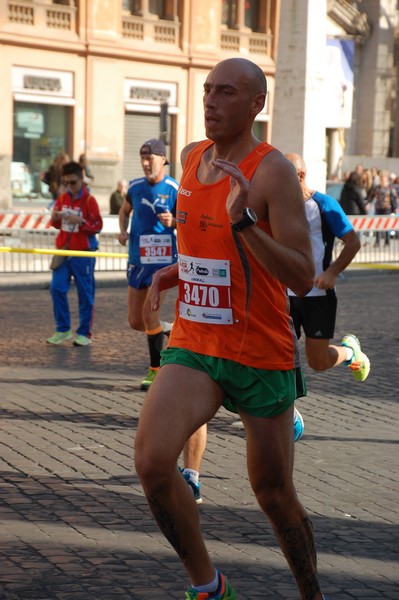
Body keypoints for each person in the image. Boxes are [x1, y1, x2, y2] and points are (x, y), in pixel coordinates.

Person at [134, 58, 328, 600]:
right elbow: (202, 244)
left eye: (226, 93)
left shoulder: (272, 172)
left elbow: (301, 271)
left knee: (272, 492)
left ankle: (311, 592)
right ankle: (208, 586)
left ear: (256, 104)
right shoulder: (194, 158)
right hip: (197, 340)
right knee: (152, 462)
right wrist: (174, 272)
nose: (211, 102)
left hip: (258, 348)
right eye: (207, 91)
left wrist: (246, 223)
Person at [285, 152, 370, 380]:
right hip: (283, 294)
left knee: (318, 362)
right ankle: (282, 413)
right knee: (278, 356)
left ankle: (350, 351)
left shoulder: (324, 204)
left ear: (300, 175)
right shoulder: (276, 205)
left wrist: (332, 272)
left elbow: (353, 241)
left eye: (284, 175)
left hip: (318, 293)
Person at [118, 139, 178, 390]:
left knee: (148, 314)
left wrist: (173, 221)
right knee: (136, 321)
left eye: (150, 157)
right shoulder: (134, 187)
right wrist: (123, 231)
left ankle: (155, 370)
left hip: (162, 263)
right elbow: (124, 211)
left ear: (163, 159)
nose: (145, 163)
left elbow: (188, 221)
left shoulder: (175, 188)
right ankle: (170, 329)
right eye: (142, 157)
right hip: (137, 260)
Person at [46, 161, 103, 346]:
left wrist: (81, 221)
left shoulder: (89, 201)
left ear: (81, 179)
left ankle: (84, 332)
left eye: (73, 182)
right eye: (66, 183)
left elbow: (97, 226)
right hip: (63, 251)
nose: (69, 186)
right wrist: (54, 218)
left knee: (85, 294)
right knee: (56, 288)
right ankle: (63, 329)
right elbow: (56, 225)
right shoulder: (62, 198)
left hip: (83, 254)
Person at [368, 170, 398, 246]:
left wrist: (396, 207)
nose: (382, 178)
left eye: (383, 177)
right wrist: (368, 203)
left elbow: (394, 198)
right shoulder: (377, 187)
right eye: (381, 177)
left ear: (386, 178)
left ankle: (387, 241)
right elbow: (371, 196)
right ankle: (377, 241)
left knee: (386, 225)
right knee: (377, 225)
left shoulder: (390, 187)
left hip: (387, 208)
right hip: (378, 208)